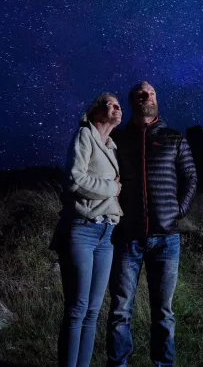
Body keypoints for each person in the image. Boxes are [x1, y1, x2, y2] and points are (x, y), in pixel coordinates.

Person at [105, 81, 197, 367]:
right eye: (142, 94)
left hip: (167, 238)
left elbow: (191, 178)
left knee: (164, 311)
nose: (148, 96)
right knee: (120, 310)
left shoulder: (174, 137)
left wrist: (178, 210)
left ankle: (162, 364)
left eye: (152, 93)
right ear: (133, 101)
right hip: (127, 236)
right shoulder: (118, 139)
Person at [49, 92, 124, 367]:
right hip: (82, 229)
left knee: (93, 311)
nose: (118, 107)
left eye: (119, 105)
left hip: (107, 233)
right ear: (96, 111)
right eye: (111, 104)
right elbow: (73, 179)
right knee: (78, 309)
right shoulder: (84, 135)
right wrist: (112, 188)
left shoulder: (112, 146)